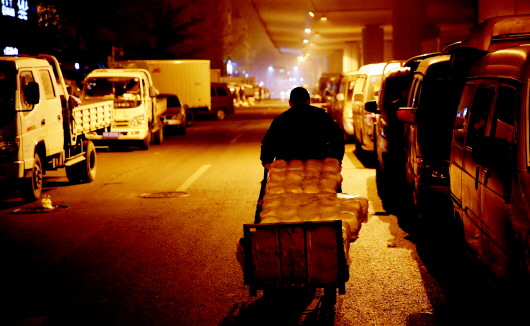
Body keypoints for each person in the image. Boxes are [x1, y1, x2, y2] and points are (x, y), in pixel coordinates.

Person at [255, 87, 345, 221]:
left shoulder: (281, 120)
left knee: (275, 200)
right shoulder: (322, 117)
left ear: (290, 102)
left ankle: (260, 224)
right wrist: (335, 161)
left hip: (287, 169)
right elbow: (337, 140)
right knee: (327, 198)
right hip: (319, 166)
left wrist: (267, 161)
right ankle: (333, 227)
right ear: (309, 101)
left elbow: (268, 143)